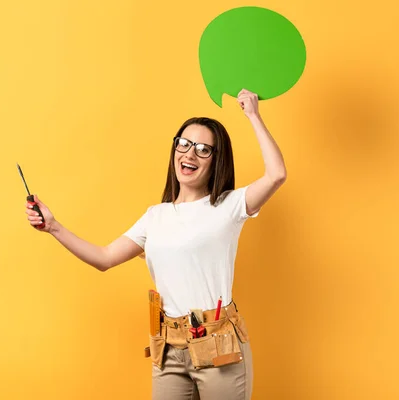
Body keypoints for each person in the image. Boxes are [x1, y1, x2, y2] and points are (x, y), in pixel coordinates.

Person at [25, 89, 286, 399]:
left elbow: (276, 174)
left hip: (218, 344)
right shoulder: (155, 217)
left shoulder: (229, 205)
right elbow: (105, 257)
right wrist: (53, 226)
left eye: (203, 149)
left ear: (217, 161)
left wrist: (253, 116)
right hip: (169, 348)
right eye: (184, 144)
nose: (189, 154)